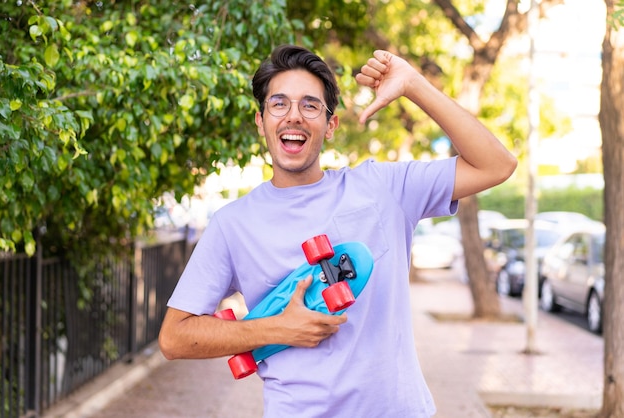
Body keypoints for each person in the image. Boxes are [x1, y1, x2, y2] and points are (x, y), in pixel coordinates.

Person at [158, 45, 517, 417]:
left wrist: (413, 84)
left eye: (310, 105)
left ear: (330, 126)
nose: (293, 116)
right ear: (260, 121)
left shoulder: (384, 188)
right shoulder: (232, 224)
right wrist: (276, 329)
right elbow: (174, 336)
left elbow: (496, 165)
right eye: (278, 104)